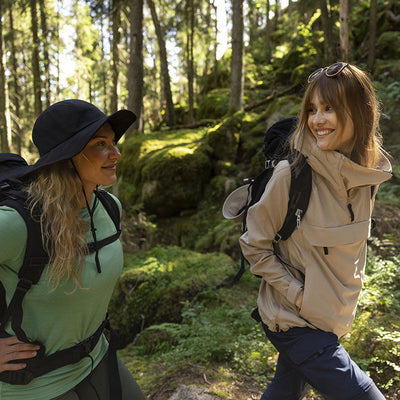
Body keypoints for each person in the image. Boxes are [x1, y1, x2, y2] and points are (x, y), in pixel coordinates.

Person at [236, 63, 391, 399]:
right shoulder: (290, 175)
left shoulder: (367, 178)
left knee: (286, 390)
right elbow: (254, 246)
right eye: (312, 109)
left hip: (331, 318)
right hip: (294, 320)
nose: (317, 119)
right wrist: (299, 296)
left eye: (329, 108)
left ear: (360, 112)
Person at [0, 100, 147, 400]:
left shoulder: (108, 207)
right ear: (67, 157)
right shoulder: (18, 224)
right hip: (33, 382)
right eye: (99, 144)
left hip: (96, 356)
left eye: (113, 142)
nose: (116, 153)